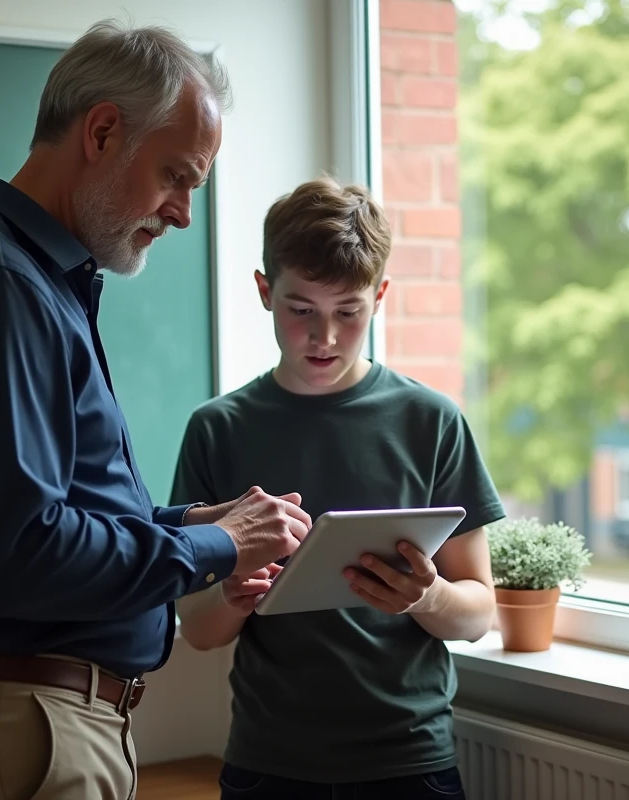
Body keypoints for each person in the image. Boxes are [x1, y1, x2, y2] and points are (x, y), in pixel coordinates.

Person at [0, 19, 311, 800]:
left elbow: (43, 521)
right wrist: (214, 550)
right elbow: (20, 556)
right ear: (102, 132)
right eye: (178, 177)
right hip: (12, 726)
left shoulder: (23, 282)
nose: (183, 215)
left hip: (20, 724)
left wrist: (195, 527)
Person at [171, 177, 506, 800]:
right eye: (301, 310)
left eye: (348, 312)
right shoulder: (218, 429)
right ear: (264, 292)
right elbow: (198, 629)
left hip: (411, 764)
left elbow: (478, 612)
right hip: (271, 764)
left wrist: (425, 596)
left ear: (380, 297)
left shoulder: (431, 421)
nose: (324, 337)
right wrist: (235, 598)